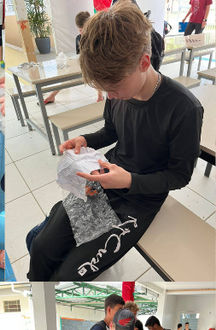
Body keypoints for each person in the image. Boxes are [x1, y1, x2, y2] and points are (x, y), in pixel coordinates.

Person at [27, 2, 203, 280]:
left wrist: (129, 181)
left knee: (70, 274)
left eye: (114, 88)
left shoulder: (184, 108)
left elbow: (179, 176)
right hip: (104, 180)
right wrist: (85, 139)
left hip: (141, 197)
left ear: (143, 63)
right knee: (41, 247)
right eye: (104, 89)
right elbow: (111, 132)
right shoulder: (117, 93)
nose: (110, 96)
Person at [43, 12, 101, 104]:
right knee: (67, 76)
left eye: (84, 29)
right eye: (80, 30)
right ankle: (52, 96)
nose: (82, 33)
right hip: (84, 63)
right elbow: (79, 55)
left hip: (95, 64)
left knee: (96, 75)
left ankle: (100, 95)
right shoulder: (78, 38)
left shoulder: (96, 36)